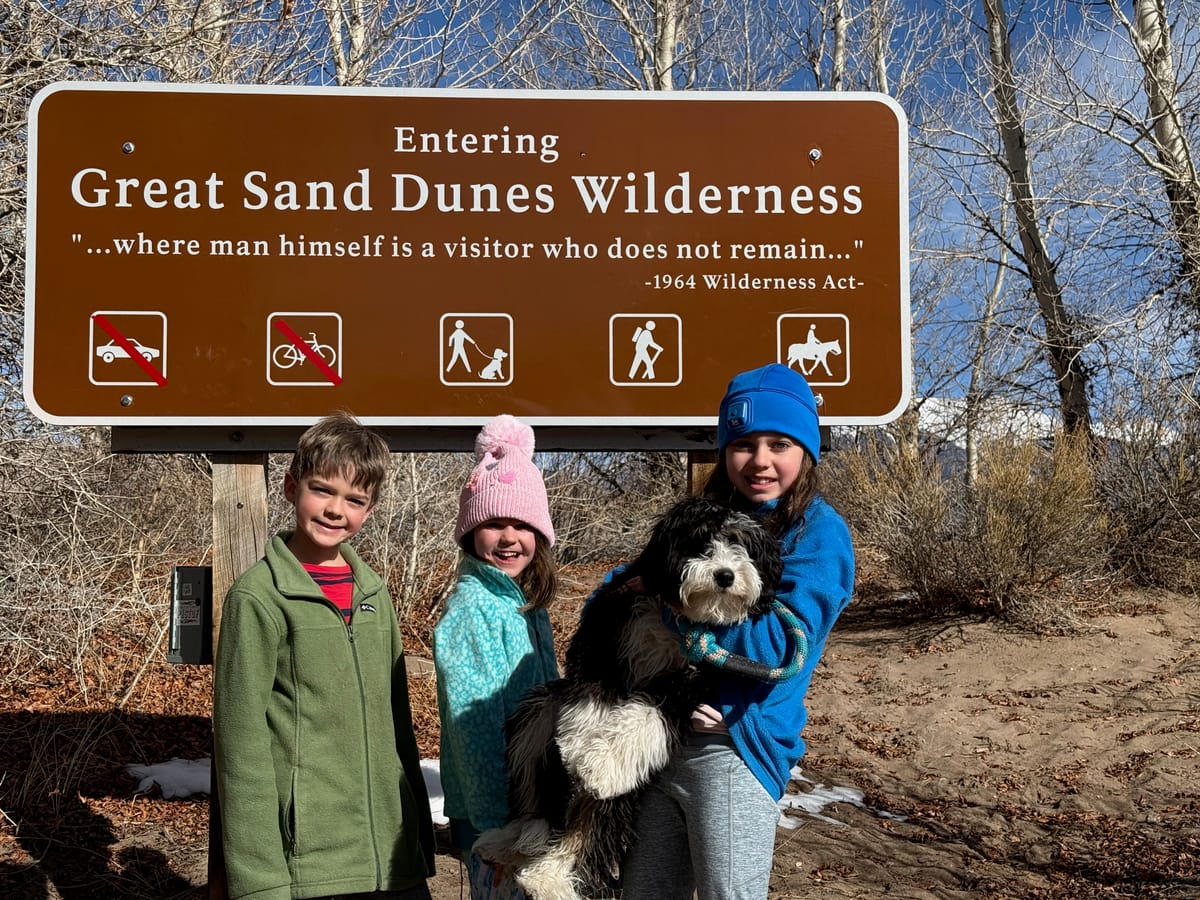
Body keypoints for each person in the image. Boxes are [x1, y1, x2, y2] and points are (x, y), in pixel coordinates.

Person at [621, 363, 856, 900]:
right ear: (725, 450)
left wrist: (670, 607)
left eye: (780, 443)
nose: (761, 461)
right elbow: (624, 585)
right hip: (659, 737)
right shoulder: (697, 518)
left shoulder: (818, 535)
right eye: (744, 444)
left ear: (807, 452)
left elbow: (779, 644)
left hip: (735, 746)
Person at [213, 411, 435, 900]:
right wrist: (259, 881)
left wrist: (417, 839)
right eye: (323, 490)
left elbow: (399, 727)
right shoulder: (259, 598)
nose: (337, 509)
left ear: (369, 510)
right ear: (292, 487)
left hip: (394, 860)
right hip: (311, 868)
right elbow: (241, 747)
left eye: (355, 500)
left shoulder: (373, 592)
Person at [433, 414, 560, 900]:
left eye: (521, 524)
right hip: (499, 816)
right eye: (493, 523)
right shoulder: (474, 612)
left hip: (530, 801)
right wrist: (496, 825)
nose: (509, 537)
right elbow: (475, 726)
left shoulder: (520, 602)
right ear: (470, 532)